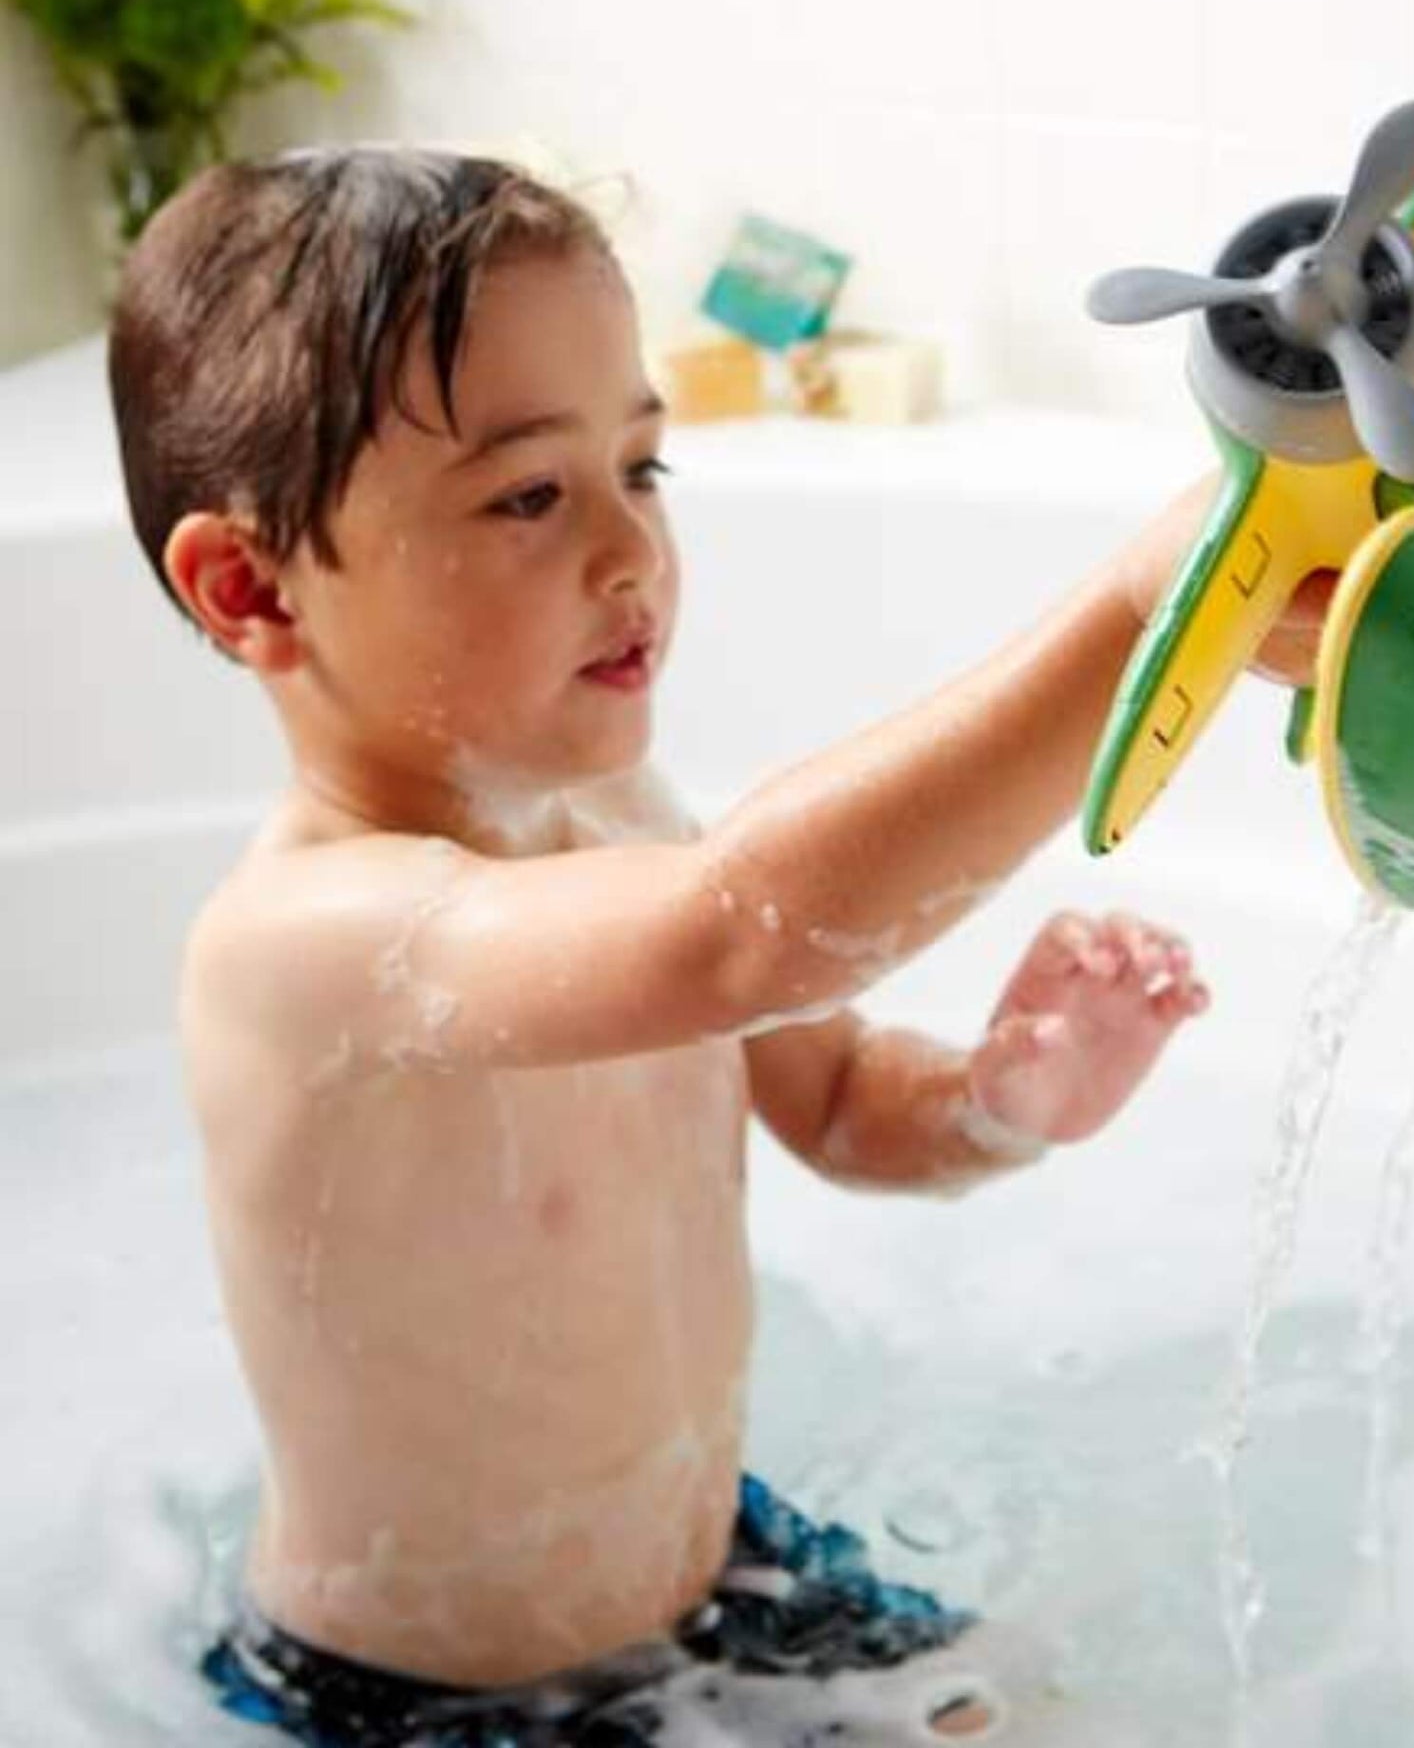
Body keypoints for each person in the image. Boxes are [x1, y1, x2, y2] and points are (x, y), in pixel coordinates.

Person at [107, 148, 1329, 1744]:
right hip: (433, 1702)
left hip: (720, 1579)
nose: (632, 557)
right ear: (251, 584)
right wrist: (1134, 620)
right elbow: (739, 939)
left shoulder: (612, 802)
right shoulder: (310, 942)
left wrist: (993, 1098)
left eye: (644, 470)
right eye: (531, 494)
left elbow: (830, 1100)